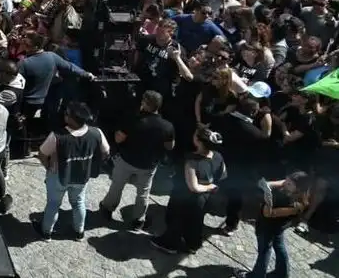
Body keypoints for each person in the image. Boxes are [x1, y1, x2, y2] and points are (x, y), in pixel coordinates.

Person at [98, 90, 175, 231]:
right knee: (143, 192)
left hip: (127, 160)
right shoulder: (167, 126)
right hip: (148, 165)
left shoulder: (133, 119)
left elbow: (118, 138)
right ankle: (138, 220)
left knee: (117, 185)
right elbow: (170, 146)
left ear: (145, 104)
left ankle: (107, 209)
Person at [35, 101, 110, 241]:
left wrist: (48, 167)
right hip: (82, 176)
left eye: (67, 114)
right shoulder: (96, 133)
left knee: (53, 204)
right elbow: (106, 152)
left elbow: (42, 154)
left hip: (59, 175)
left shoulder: (57, 136)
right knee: (78, 202)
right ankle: (79, 232)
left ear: (72, 119)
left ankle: (46, 232)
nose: (64, 115)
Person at [152, 125, 226, 254]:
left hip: (186, 197)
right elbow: (222, 174)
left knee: (177, 220)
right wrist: (211, 186)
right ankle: (193, 244)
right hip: (205, 198)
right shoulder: (218, 156)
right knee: (196, 222)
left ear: (198, 141)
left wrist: (207, 186)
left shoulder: (191, 160)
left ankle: (170, 245)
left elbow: (193, 187)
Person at [235, 172, 312, 278]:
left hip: (269, 227)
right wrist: (267, 187)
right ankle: (282, 273)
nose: (285, 184)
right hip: (277, 227)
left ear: (298, 189)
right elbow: (270, 184)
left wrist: (268, 201)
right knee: (279, 246)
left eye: (290, 184)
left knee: (264, 251)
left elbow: (269, 214)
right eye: (287, 180)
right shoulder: (287, 188)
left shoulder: (296, 205)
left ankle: (257, 275)